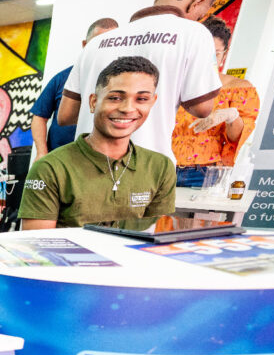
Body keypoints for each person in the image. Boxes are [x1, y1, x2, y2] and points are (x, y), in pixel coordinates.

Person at [58, 0, 223, 162]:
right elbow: (202, 108)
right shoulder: (193, 33)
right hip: (144, 171)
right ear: (198, 1)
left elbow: (65, 116)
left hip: (85, 165)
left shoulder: (97, 42)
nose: (199, 17)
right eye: (202, 12)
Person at [20, 56, 176, 229]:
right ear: (93, 102)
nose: (127, 108)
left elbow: (157, 238)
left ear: (152, 102)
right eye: (115, 98)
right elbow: (38, 247)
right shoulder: (50, 168)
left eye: (141, 99)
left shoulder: (161, 167)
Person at [172, 16, 260, 185]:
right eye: (202, 52)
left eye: (215, 53)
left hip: (203, 171)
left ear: (224, 54)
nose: (207, 58)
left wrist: (231, 116)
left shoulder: (238, 88)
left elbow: (235, 138)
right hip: (162, 165)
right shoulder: (174, 83)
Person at [31, 18, 118, 160]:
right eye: (97, 43)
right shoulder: (62, 78)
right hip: (60, 158)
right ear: (85, 44)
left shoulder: (124, 80)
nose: (103, 48)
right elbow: (39, 116)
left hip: (101, 160)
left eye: (109, 43)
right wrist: (41, 152)